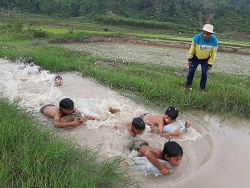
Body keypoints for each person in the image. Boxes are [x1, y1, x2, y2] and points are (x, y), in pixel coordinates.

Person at [185, 24, 219, 92]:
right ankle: (187, 86)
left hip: (205, 60)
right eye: (204, 33)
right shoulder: (197, 38)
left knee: (204, 73)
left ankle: (202, 89)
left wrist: (210, 64)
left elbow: (213, 54)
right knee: (191, 72)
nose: (205, 35)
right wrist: (190, 59)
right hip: (195, 58)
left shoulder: (215, 41)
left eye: (208, 34)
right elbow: (192, 49)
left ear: (211, 34)